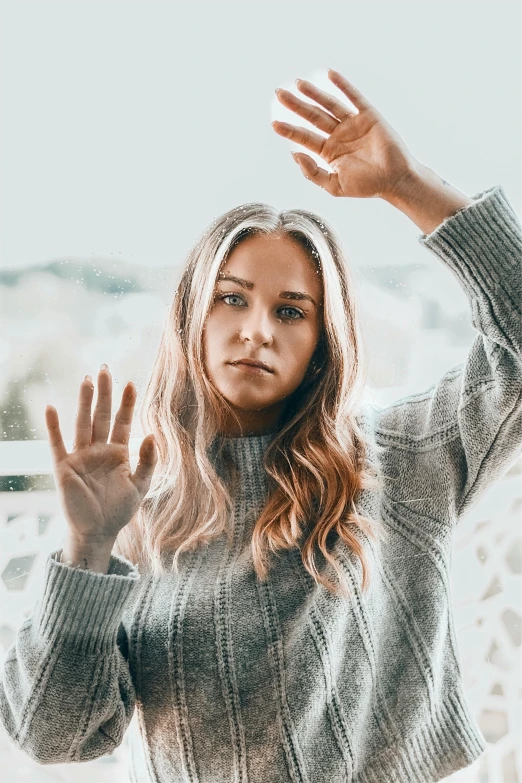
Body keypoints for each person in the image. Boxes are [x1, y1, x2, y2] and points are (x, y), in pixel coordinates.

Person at [1, 69, 521, 783]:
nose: (256, 330)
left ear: (321, 341)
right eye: (231, 298)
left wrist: (408, 185)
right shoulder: (137, 509)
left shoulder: (400, 458)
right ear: (192, 316)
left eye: (290, 309)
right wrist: (88, 545)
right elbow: (55, 737)